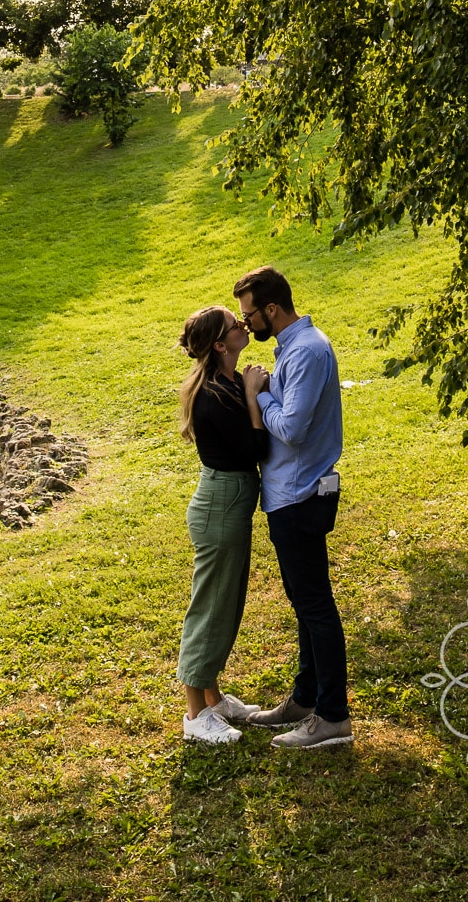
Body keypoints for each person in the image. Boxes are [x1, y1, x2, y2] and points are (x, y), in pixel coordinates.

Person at [234, 266, 353, 749]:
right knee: (306, 606)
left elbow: (294, 429)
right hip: (292, 494)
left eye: (250, 315)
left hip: (299, 496)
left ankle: (332, 718)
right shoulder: (294, 349)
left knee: (316, 608)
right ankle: (305, 698)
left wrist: (257, 395)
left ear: (272, 310)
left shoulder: (305, 352)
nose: (248, 325)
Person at [176, 305, 269, 744]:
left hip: (230, 501)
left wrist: (247, 387)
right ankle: (196, 716)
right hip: (220, 505)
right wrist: (253, 394)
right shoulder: (216, 393)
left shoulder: (227, 382)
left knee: (226, 603)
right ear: (219, 344)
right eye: (235, 324)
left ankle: (213, 699)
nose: (243, 325)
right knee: (211, 608)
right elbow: (255, 446)